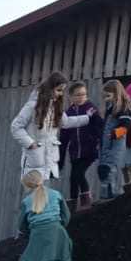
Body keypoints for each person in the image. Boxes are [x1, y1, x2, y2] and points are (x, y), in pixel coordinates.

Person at [14, 169, 73, 261]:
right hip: (59, 234)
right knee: (61, 250)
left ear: (27, 185)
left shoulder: (27, 201)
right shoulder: (56, 194)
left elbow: (22, 226)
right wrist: (58, 226)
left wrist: (27, 234)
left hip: (39, 235)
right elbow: (66, 216)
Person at [9, 71, 90, 179]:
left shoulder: (55, 107)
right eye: (59, 90)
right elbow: (16, 127)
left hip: (49, 162)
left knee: (45, 188)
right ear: (50, 88)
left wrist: (88, 118)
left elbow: (66, 122)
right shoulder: (32, 106)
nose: (61, 94)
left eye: (62, 90)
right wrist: (30, 143)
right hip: (33, 161)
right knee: (34, 189)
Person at [57, 82, 103, 210]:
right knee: (73, 178)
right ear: (70, 97)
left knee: (79, 174)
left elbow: (99, 127)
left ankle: (86, 202)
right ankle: (73, 206)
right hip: (75, 152)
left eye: (84, 94)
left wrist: (97, 141)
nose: (82, 97)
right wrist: (60, 160)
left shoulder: (91, 108)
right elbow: (64, 138)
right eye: (78, 95)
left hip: (89, 150)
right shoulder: (69, 113)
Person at [96, 79, 131, 201]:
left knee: (108, 171)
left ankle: (108, 198)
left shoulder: (123, 108)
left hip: (113, 147)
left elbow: (125, 127)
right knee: (102, 171)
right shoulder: (110, 108)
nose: (105, 99)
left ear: (116, 94)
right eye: (104, 96)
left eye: (108, 96)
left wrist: (113, 134)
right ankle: (104, 196)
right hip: (105, 146)